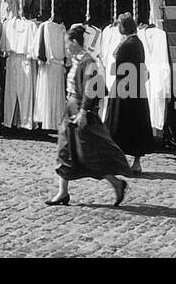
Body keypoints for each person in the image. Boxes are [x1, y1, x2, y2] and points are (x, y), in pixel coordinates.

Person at [49, 25, 131, 207]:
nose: (65, 46)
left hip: (80, 110)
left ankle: (117, 183)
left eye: (67, 43)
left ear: (75, 42)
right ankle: (62, 192)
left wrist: (83, 112)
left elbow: (90, 88)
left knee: (89, 153)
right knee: (64, 149)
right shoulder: (76, 60)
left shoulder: (88, 62)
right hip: (70, 108)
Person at [104, 14, 155, 176]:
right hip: (136, 88)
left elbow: (118, 65)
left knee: (119, 123)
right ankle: (136, 162)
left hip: (124, 89)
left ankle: (116, 161)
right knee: (136, 124)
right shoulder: (137, 42)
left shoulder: (127, 44)